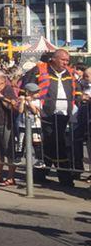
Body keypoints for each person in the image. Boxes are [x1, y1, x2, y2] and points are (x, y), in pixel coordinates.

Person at [35, 49, 81, 187]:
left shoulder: (70, 72)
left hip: (65, 114)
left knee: (51, 144)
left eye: (67, 60)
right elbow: (27, 86)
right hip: (47, 113)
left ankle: (40, 174)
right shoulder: (40, 69)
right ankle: (65, 177)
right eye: (63, 60)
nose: (65, 63)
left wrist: (78, 99)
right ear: (54, 59)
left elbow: (76, 89)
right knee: (58, 143)